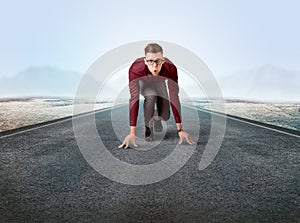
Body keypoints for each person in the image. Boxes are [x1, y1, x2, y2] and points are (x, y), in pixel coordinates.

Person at [118, 43, 195, 149]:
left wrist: (180, 129)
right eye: (150, 61)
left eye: (158, 61)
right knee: (151, 96)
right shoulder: (135, 69)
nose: (155, 66)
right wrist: (132, 132)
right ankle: (148, 127)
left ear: (163, 60)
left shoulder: (170, 68)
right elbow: (134, 99)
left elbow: (174, 95)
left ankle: (156, 118)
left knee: (165, 116)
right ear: (145, 61)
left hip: (160, 83)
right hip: (145, 84)